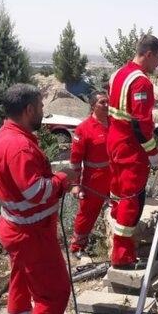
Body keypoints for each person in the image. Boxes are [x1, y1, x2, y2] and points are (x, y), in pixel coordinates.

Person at [0, 83, 78, 314]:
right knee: (54, 294)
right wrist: (62, 179)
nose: (42, 111)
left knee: (21, 285)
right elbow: (36, 192)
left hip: (16, 227)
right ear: (29, 109)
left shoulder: (6, 135)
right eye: (40, 106)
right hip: (31, 234)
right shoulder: (20, 147)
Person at [107, 34, 158, 269]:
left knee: (119, 197)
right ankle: (122, 257)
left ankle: (121, 250)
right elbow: (141, 124)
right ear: (148, 54)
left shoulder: (118, 74)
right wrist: (153, 154)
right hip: (131, 151)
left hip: (114, 144)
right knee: (132, 201)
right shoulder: (141, 82)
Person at [69, 90, 111, 258]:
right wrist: (75, 185)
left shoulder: (114, 123)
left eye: (108, 101)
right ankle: (77, 248)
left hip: (115, 177)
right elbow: (75, 160)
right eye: (102, 102)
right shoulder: (84, 129)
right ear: (93, 106)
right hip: (94, 180)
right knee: (86, 215)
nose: (107, 105)